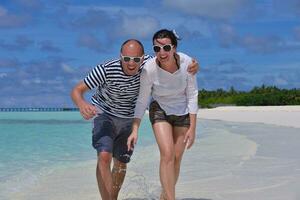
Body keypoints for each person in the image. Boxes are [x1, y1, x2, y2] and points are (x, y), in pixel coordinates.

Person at [71, 39, 199, 200]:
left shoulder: (149, 64)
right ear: (121, 56)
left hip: (129, 118)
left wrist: (194, 65)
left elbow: (170, 55)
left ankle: (114, 197)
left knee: (120, 162)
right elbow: (77, 90)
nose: (131, 64)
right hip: (105, 114)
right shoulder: (105, 69)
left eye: (136, 60)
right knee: (104, 156)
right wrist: (81, 103)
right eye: (126, 59)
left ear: (143, 58)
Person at [127, 29, 198, 200]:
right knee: (167, 154)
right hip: (160, 109)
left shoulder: (187, 62)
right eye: (157, 49)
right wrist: (135, 129)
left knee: (177, 157)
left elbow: (192, 94)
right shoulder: (149, 70)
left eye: (166, 48)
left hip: (183, 112)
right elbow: (142, 100)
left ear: (174, 48)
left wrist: (193, 128)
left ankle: (165, 195)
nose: (162, 53)